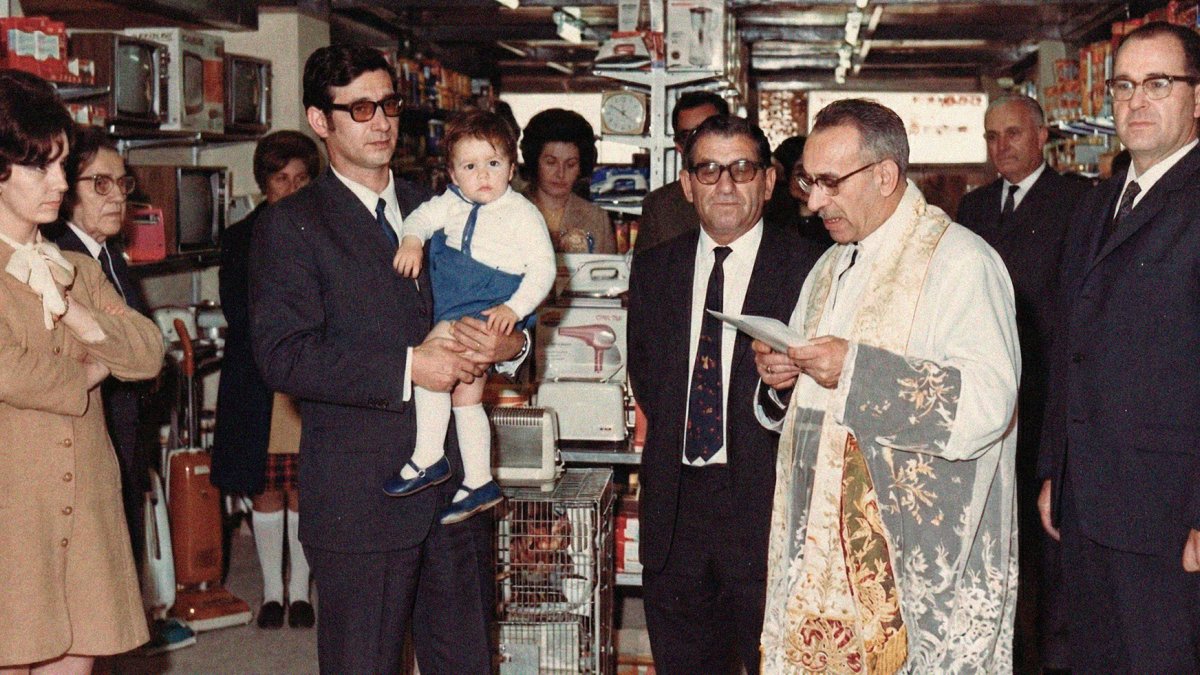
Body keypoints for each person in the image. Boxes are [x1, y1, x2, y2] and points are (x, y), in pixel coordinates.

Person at [248, 45, 526, 673]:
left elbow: (502, 290)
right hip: (362, 496)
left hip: (455, 487)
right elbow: (283, 356)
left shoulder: (448, 202)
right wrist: (408, 368)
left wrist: (512, 344)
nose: (381, 122)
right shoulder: (290, 225)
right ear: (321, 121)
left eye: (389, 105)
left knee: (466, 662)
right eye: (361, 108)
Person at [755, 98, 1019, 671]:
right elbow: (817, 396)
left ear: (885, 175)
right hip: (822, 564)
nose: (814, 200)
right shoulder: (831, 265)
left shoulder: (961, 263)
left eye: (829, 182)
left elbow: (987, 405)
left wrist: (855, 369)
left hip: (908, 569)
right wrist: (783, 378)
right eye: (808, 181)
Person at [627, 115, 821, 674]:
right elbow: (648, 377)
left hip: (767, 514)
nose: (726, 185)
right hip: (674, 514)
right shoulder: (657, 268)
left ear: (768, 180)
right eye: (708, 170)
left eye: (742, 169)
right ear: (686, 185)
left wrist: (781, 390)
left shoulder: (810, 269)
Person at [1037, 21, 1200, 673]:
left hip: (1168, 516)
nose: (1135, 101)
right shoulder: (1100, 201)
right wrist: (1056, 468)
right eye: (1124, 85)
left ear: (1197, 96)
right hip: (1088, 506)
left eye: (1158, 83)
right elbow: (1068, 343)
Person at [0, 68, 164, 673]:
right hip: (12, 511)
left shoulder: (76, 268)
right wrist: (94, 366)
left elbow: (147, 352)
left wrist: (74, 313)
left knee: (80, 657)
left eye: (63, 165)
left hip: (87, 503)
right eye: (42, 167)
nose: (60, 183)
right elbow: (8, 373)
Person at [954, 93, 1088, 671]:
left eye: (1011, 134)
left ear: (1041, 138)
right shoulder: (974, 207)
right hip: (987, 401)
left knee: (1047, 543)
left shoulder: (1078, 201)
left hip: (1045, 401)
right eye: (990, 137)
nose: (1000, 147)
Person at [384, 110, 554, 524]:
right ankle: (479, 480)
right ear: (453, 175)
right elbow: (422, 218)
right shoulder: (450, 203)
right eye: (470, 166)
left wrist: (515, 310)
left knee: (432, 359)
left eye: (494, 164)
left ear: (512, 168)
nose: (483, 176)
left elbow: (544, 268)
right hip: (462, 304)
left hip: (486, 301)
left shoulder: (522, 212)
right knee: (466, 396)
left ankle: (429, 454)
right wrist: (411, 241)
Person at [211, 130, 322, 630]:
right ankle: (271, 593)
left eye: (302, 179)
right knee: (264, 487)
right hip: (257, 376)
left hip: (309, 374)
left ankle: (300, 592)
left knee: (303, 486)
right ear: (264, 184)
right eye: (282, 179)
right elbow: (240, 311)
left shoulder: (325, 235)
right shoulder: (239, 239)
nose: (292, 189)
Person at [42, 126, 152, 569]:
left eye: (122, 184)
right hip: (88, 430)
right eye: (100, 184)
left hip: (124, 428)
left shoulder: (109, 256)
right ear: (68, 192)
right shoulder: (62, 258)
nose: (117, 197)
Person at [633, 91, 728, 253]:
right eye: (687, 136)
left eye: (707, 132)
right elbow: (644, 276)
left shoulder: (755, 193)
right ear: (679, 146)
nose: (698, 144)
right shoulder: (660, 207)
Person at [520, 108, 615, 253]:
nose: (561, 173)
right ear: (534, 161)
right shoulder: (511, 209)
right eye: (551, 162)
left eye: (570, 164)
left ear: (580, 167)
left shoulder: (597, 219)